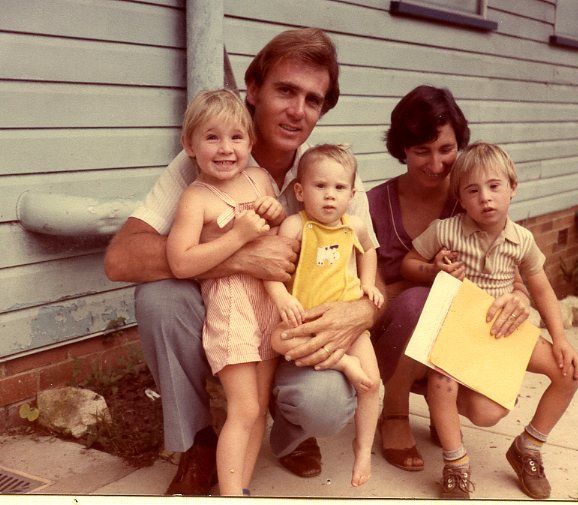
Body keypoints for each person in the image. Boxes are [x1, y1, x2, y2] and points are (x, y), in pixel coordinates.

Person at [104, 28, 379, 495]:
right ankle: (197, 442)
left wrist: (363, 310)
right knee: (160, 299)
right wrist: (243, 255)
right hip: (230, 312)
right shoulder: (208, 161)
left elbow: (371, 265)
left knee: (326, 404)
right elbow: (122, 257)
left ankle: (293, 437)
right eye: (285, 90)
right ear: (253, 89)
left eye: (312, 100)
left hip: (291, 320)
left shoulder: (330, 175)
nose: (297, 110)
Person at [401, 141, 578, 499]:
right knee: (442, 381)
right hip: (460, 329)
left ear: (512, 188)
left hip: (505, 330)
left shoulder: (522, 240)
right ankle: (456, 463)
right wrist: (433, 268)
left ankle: (527, 448)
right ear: (461, 198)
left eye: (494, 186)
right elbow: (409, 263)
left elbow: (543, 291)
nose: (485, 198)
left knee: (569, 372)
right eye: (473, 190)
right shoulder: (445, 231)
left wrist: (560, 339)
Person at [367, 86, 531, 477]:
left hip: (461, 337)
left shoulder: (472, 196)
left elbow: (514, 267)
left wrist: (521, 297)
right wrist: (426, 280)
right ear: (401, 149)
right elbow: (368, 292)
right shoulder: (373, 204)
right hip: (391, 333)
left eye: (446, 149)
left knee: (486, 411)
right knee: (419, 301)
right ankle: (394, 410)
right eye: (421, 150)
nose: (437, 163)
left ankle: (440, 406)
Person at [165, 89, 286, 496]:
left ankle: (242, 488)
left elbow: (277, 223)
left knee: (261, 408)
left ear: (250, 143)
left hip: (268, 301)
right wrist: (237, 236)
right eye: (212, 137)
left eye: (236, 137)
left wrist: (274, 211)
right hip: (231, 304)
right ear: (190, 145)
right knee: (244, 407)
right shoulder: (194, 198)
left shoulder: (259, 178)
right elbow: (181, 262)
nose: (225, 148)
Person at [264, 144, 382, 487]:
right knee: (277, 339)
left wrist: (367, 283)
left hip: (348, 322)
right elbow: (271, 270)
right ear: (300, 191)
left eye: (339, 188)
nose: (330, 197)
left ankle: (363, 451)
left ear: (352, 193)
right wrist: (281, 295)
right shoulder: (294, 226)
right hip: (305, 319)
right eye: (320, 186)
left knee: (372, 383)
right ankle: (341, 363)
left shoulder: (354, 226)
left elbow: (370, 251)